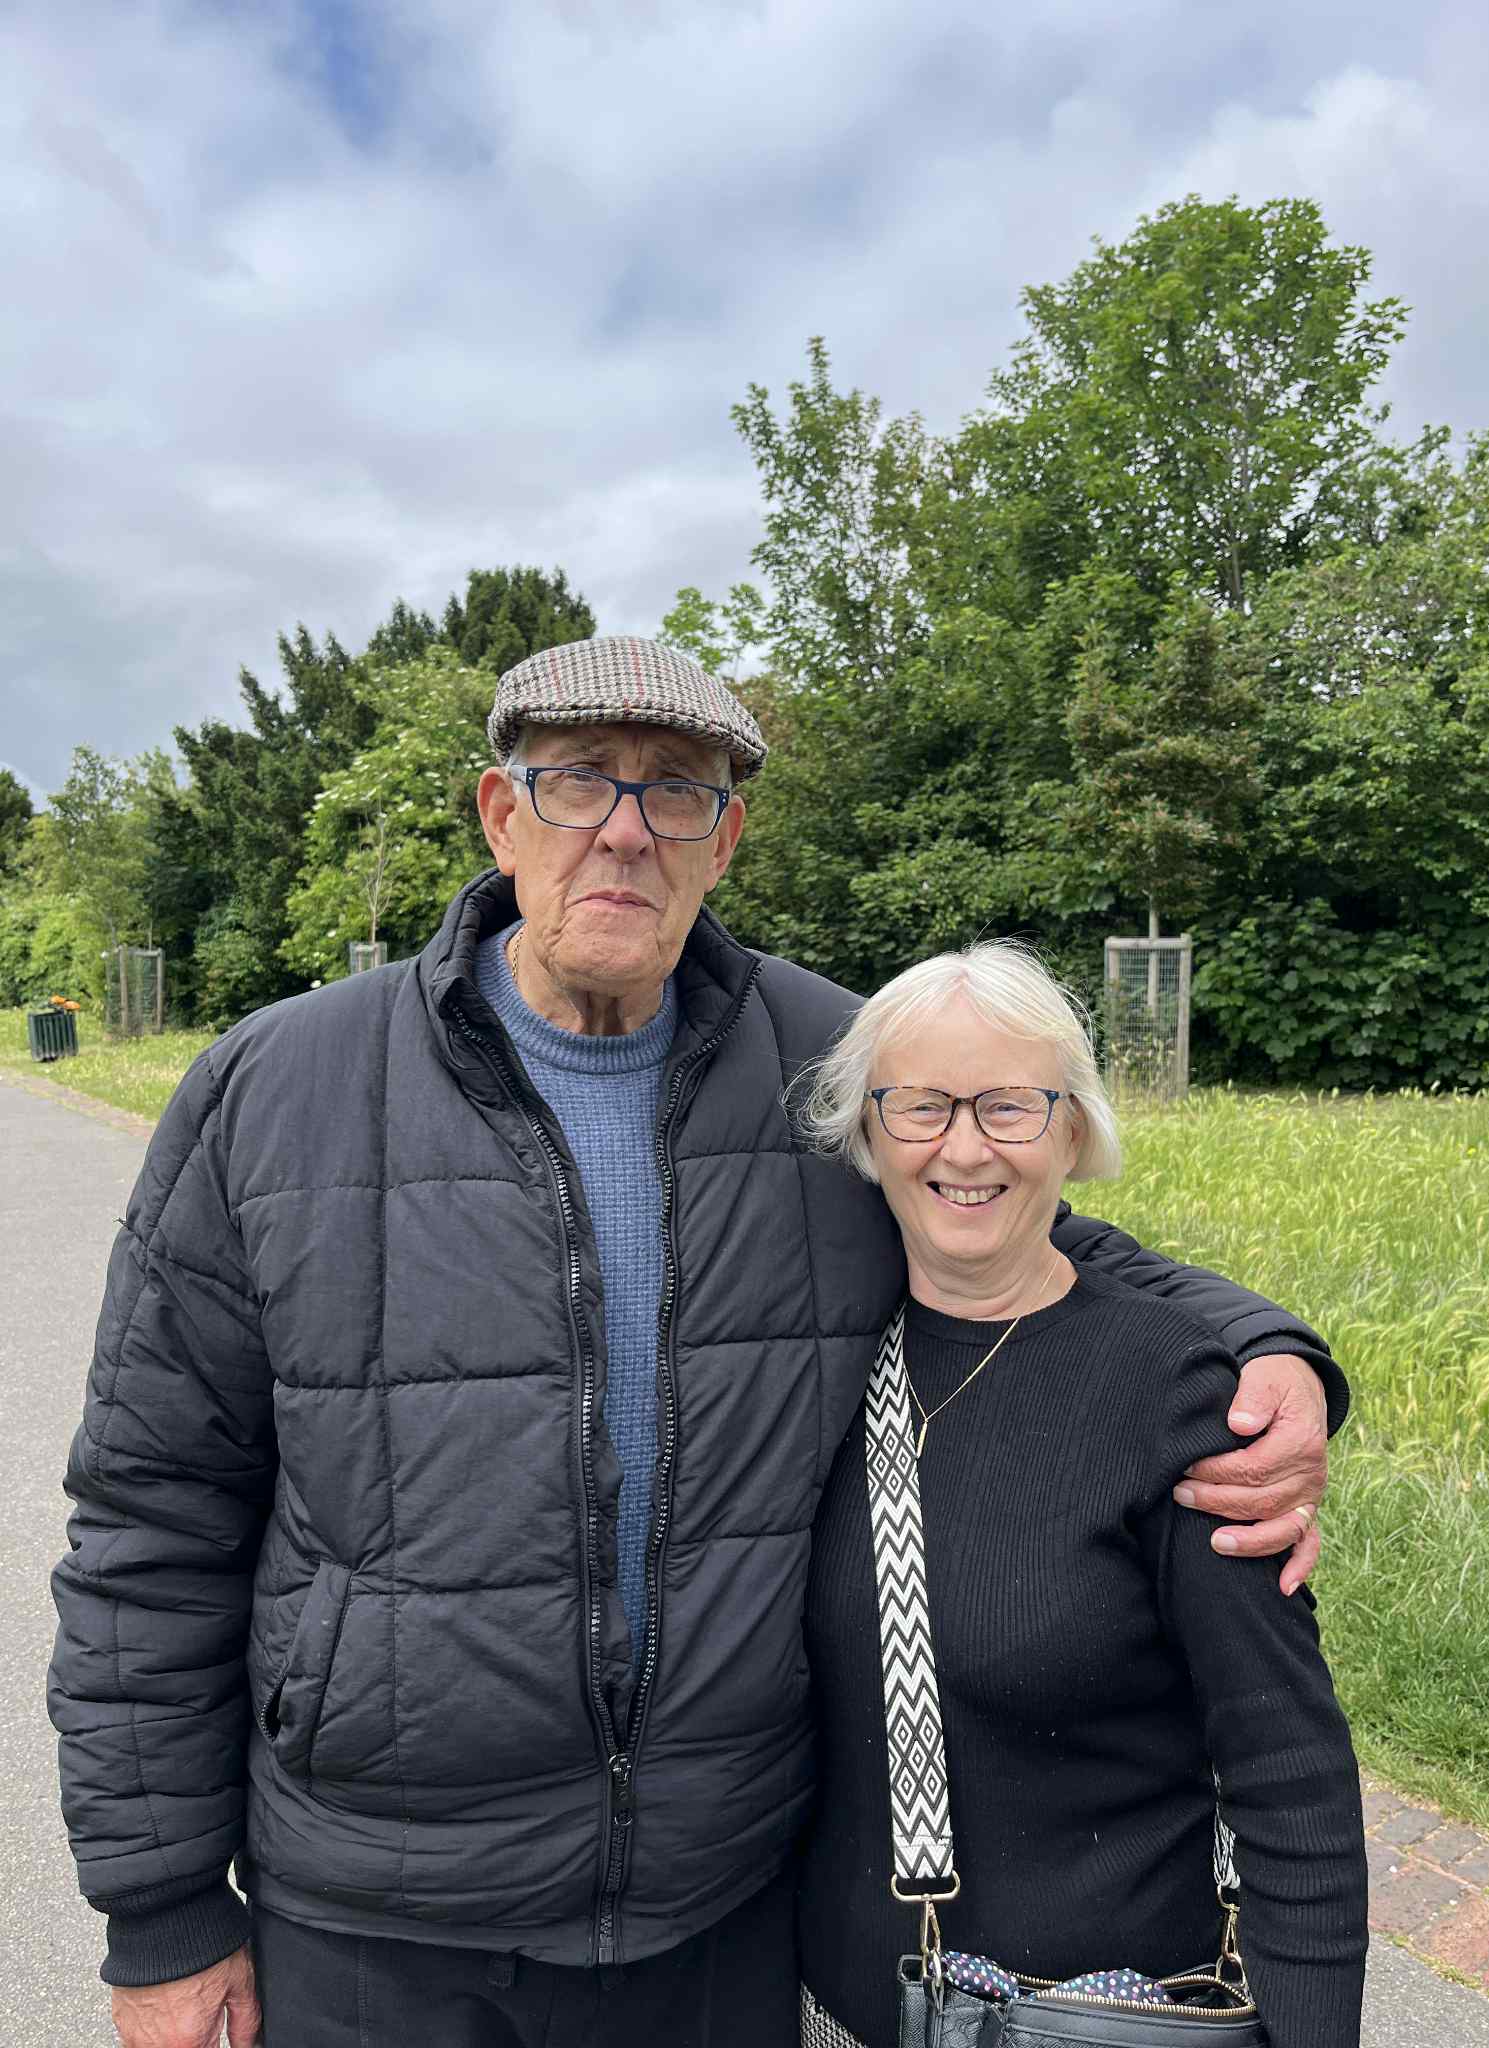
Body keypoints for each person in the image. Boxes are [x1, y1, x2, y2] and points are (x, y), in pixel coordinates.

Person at [49, 637, 1345, 2048]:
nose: (624, 829)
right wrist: (163, 1912)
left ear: (722, 842)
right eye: (577, 782)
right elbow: (152, 1517)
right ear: (500, 814)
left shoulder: (824, 1064)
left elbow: (1010, 1220)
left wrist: (1264, 1344)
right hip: (377, 1920)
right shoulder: (276, 1089)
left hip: (716, 1914)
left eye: (675, 792)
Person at [794, 941, 1368, 2048]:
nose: (965, 1146)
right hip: (837, 2016)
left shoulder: (1173, 1393)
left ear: (1073, 1130)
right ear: (867, 1133)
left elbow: (1289, 1770)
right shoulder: (819, 1355)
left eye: (1010, 1105)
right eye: (920, 1105)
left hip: (1098, 2019)